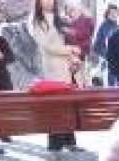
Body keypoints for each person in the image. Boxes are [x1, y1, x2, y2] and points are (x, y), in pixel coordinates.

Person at [29, 0, 82, 152]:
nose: (49, 1)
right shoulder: (36, 20)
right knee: (55, 105)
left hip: (67, 68)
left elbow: (64, 40)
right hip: (51, 69)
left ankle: (69, 141)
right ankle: (55, 143)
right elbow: (46, 46)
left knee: (68, 104)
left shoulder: (59, 18)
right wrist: (69, 49)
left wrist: (74, 59)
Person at [62, 0, 95, 86]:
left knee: (82, 81)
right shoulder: (67, 20)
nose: (70, 11)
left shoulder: (86, 20)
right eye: (68, 9)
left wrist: (69, 32)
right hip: (68, 57)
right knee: (72, 82)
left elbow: (85, 36)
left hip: (81, 55)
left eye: (72, 9)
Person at [92, 4, 119, 86]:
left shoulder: (118, 27)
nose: (114, 14)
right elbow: (96, 45)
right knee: (108, 85)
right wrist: (105, 55)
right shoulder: (103, 26)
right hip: (105, 62)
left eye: (116, 12)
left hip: (117, 62)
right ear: (107, 14)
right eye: (112, 12)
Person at [0, 32, 14, 154]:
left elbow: (12, 57)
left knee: (3, 109)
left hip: (3, 80)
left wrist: (2, 56)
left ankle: (3, 132)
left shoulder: (1, 39)